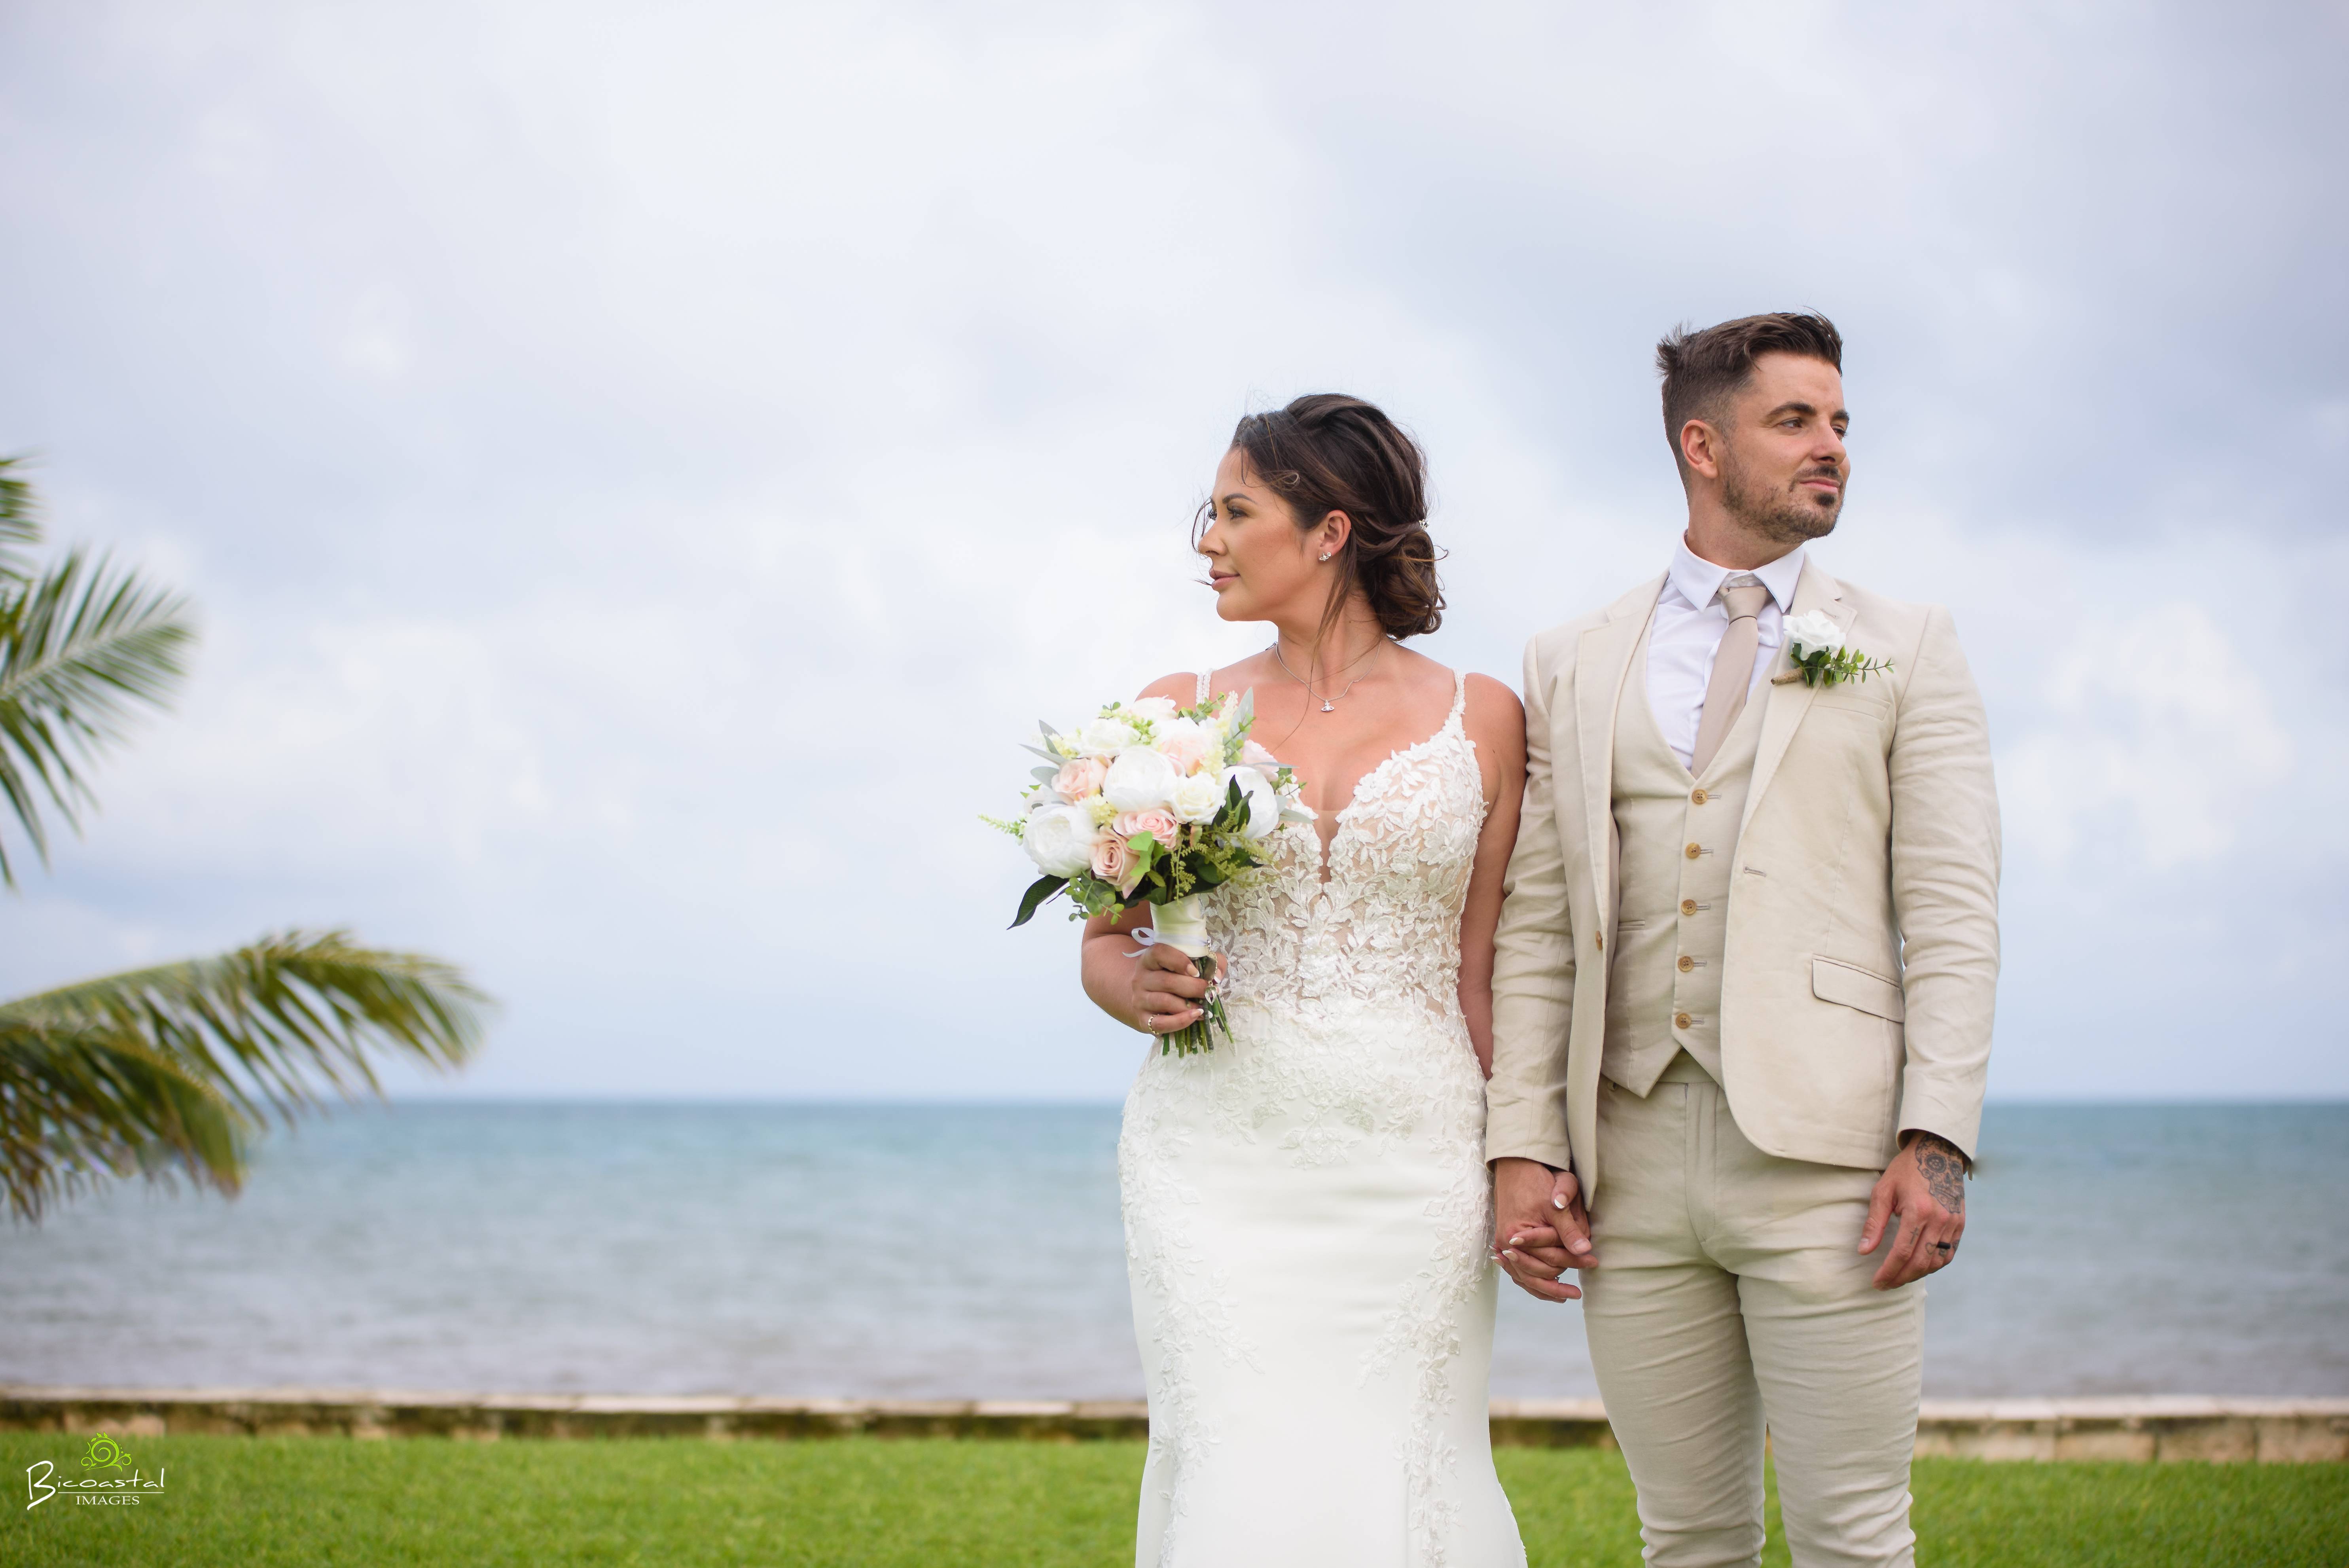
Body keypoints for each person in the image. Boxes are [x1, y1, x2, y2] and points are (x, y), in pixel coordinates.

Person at [1485, 313, 2000, 1567]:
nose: (1830, 448)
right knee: (1686, 1536)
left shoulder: (1905, 643)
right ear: (1700, 445)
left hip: (1829, 1158)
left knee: (1854, 1535)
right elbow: (1541, 925)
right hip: (1630, 1165)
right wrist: (1518, 1146)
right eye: (1795, 422)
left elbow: (1951, 910)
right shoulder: (1569, 659)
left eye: (1838, 425)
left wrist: (1935, 1140)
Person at [1082, 394, 1531, 1566]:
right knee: (1235, 1462)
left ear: (1328, 531)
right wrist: (1134, 985)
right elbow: (1102, 944)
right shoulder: (1172, 716)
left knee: (1406, 1463)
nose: (1207, 540)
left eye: (1234, 511)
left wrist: (1532, 1155)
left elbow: (1482, 973)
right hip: (1212, 1156)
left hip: (1414, 1157)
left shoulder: (1482, 719)